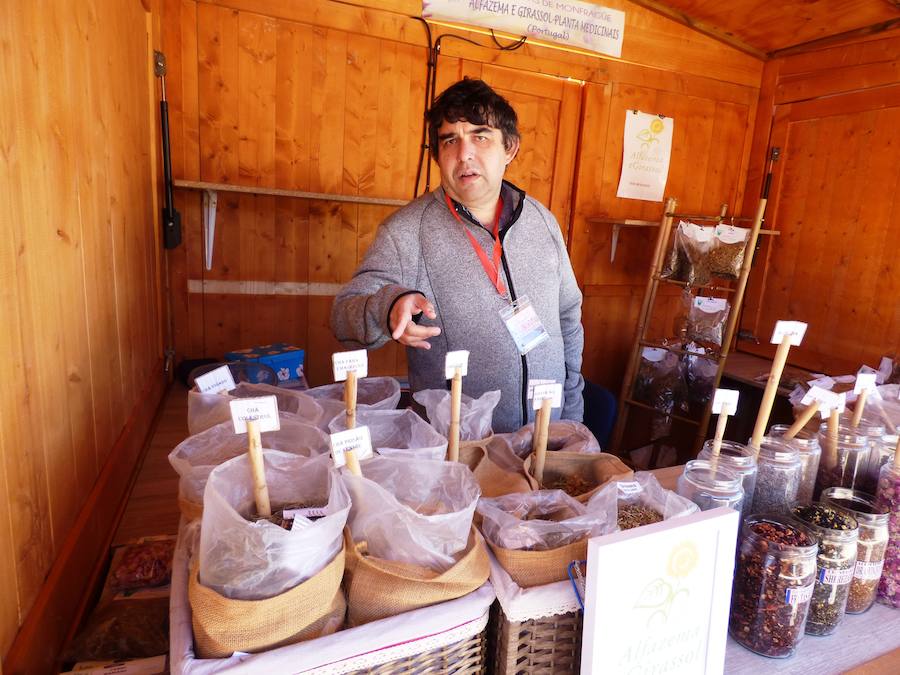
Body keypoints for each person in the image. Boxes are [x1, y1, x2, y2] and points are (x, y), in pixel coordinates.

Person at [331, 78, 584, 433]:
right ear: (437, 154)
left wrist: (572, 413)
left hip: (549, 437)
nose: (464, 154)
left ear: (509, 148)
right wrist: (387, 306)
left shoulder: (542, 220)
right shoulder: (407, 230)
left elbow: (568, 315)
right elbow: (344, 313)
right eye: (450, 140)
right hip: (460, 450)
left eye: (480, 136)